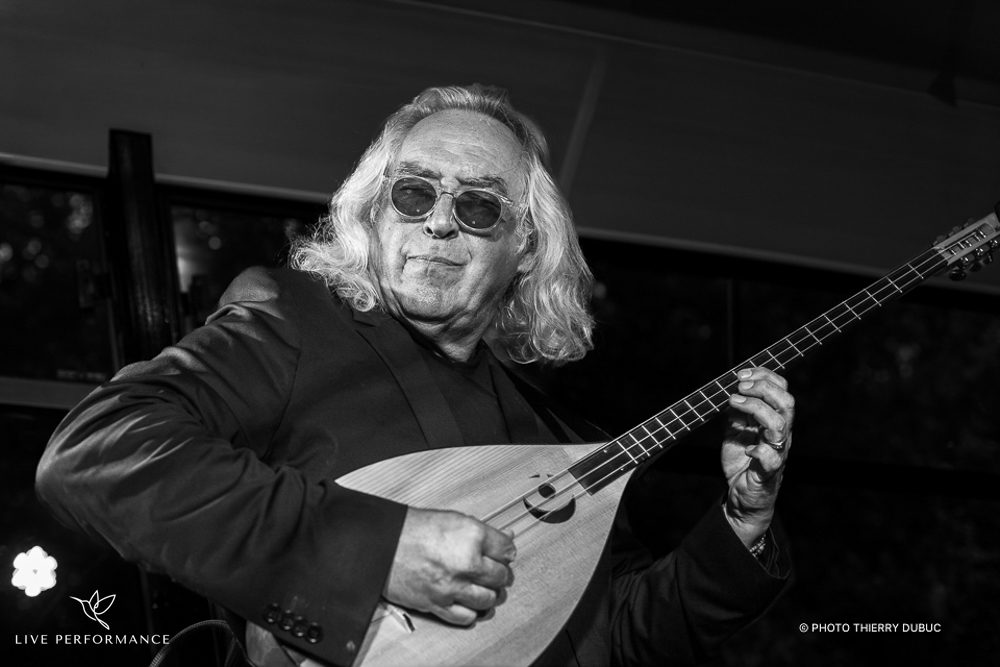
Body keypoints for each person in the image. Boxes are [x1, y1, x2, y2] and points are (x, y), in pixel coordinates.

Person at [36, 84, 794, 667]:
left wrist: (742, 522)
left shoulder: (558, 437)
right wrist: (376, 550)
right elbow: (100, 450)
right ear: (376, 215)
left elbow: (616, 637)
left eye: (479, 206)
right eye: (413, 192)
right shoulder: (294, 322)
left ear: (526, 247)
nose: (438, 221)